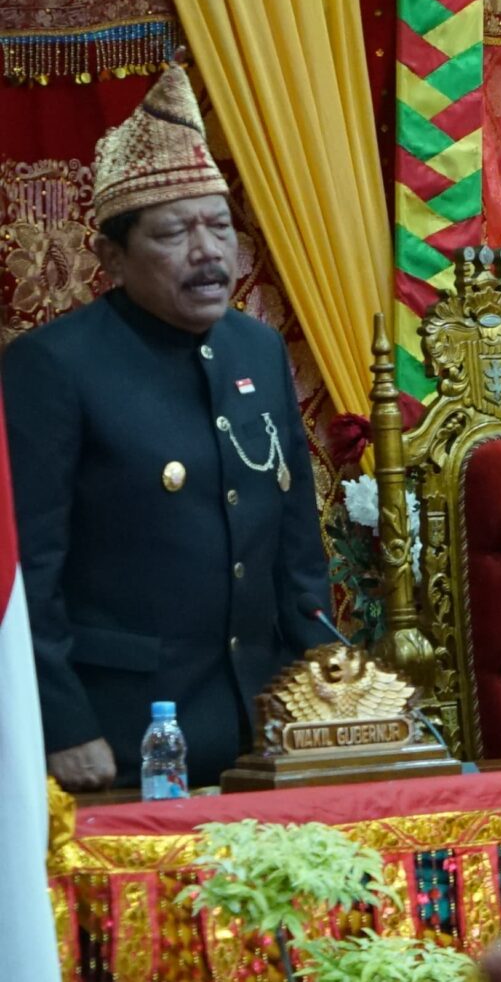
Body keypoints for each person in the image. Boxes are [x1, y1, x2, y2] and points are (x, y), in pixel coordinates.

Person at [1, 69, 331, 788]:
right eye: (175, 233)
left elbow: (297, 550)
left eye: (219, 226)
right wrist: (62, 724)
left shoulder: (256, 349)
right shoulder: (53, 366)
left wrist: (324, 694)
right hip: (121, 735)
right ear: (112, 259)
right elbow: (27, 572)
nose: (208, 251)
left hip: (263, 726)